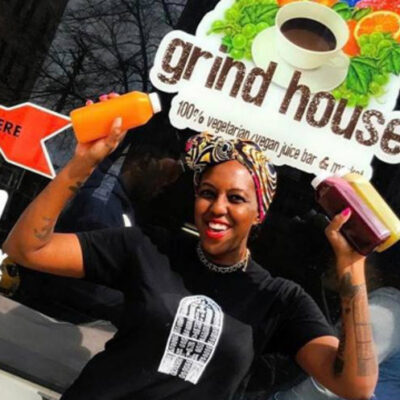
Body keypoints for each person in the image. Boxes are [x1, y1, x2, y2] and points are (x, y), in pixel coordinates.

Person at [3, 115, 378, 399]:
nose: (218, 208)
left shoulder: (278, 299)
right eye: (208, 193)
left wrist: (352, 266)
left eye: (236, 198)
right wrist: (83, 164)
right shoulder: (148, 248)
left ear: (259, 213)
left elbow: (354, 385)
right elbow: (28, 249)